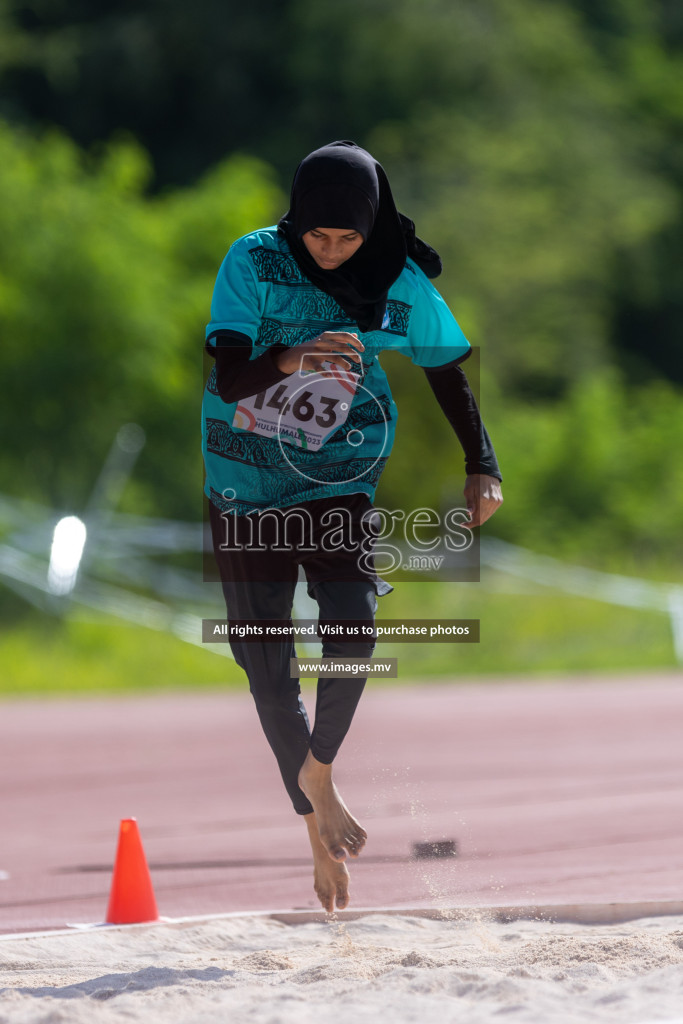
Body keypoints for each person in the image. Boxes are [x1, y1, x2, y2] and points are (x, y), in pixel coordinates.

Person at [202, 140, 503, 913]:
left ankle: (318, 770)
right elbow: (230, 375)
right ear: (294, 220)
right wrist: (296, 355)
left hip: (338, 476)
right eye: (317, 237)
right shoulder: (253, 262)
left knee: (354, 628)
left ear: (371, 227)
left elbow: (444, 367)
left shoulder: (393, 274)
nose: (333, 254)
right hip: (242, 483)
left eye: (348, 239)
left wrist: (482, 464)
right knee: (263, 659)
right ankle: (316, 818)